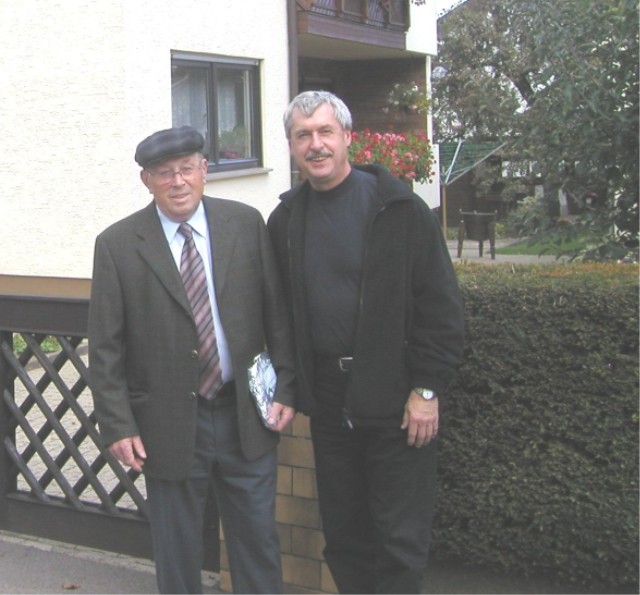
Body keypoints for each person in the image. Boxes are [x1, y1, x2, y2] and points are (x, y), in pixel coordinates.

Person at [267, 91, 464, 594]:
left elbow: (441, 307)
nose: (316, 145)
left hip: (396, 398)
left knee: (399, 539)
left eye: (325, 132)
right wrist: (288, 386)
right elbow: (279, 315)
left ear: (347, 137)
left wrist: (426, 389)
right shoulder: (285, 220)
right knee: (344, 536)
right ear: (291, 146)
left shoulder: (400, 210)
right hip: (329, 402)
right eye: (303, 135)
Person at [88, 125, 296, 594]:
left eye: (186, 168)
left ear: (204, 170)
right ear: (146, 180)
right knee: (177, 550)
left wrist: (286, 386)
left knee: (257, 543)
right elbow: (105, 348)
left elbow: (276, 315)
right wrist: (118, 425)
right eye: (165, 172)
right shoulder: (118, 245)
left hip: (245, 414)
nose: (177, 181)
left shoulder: (245, 224)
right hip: (167, 423)